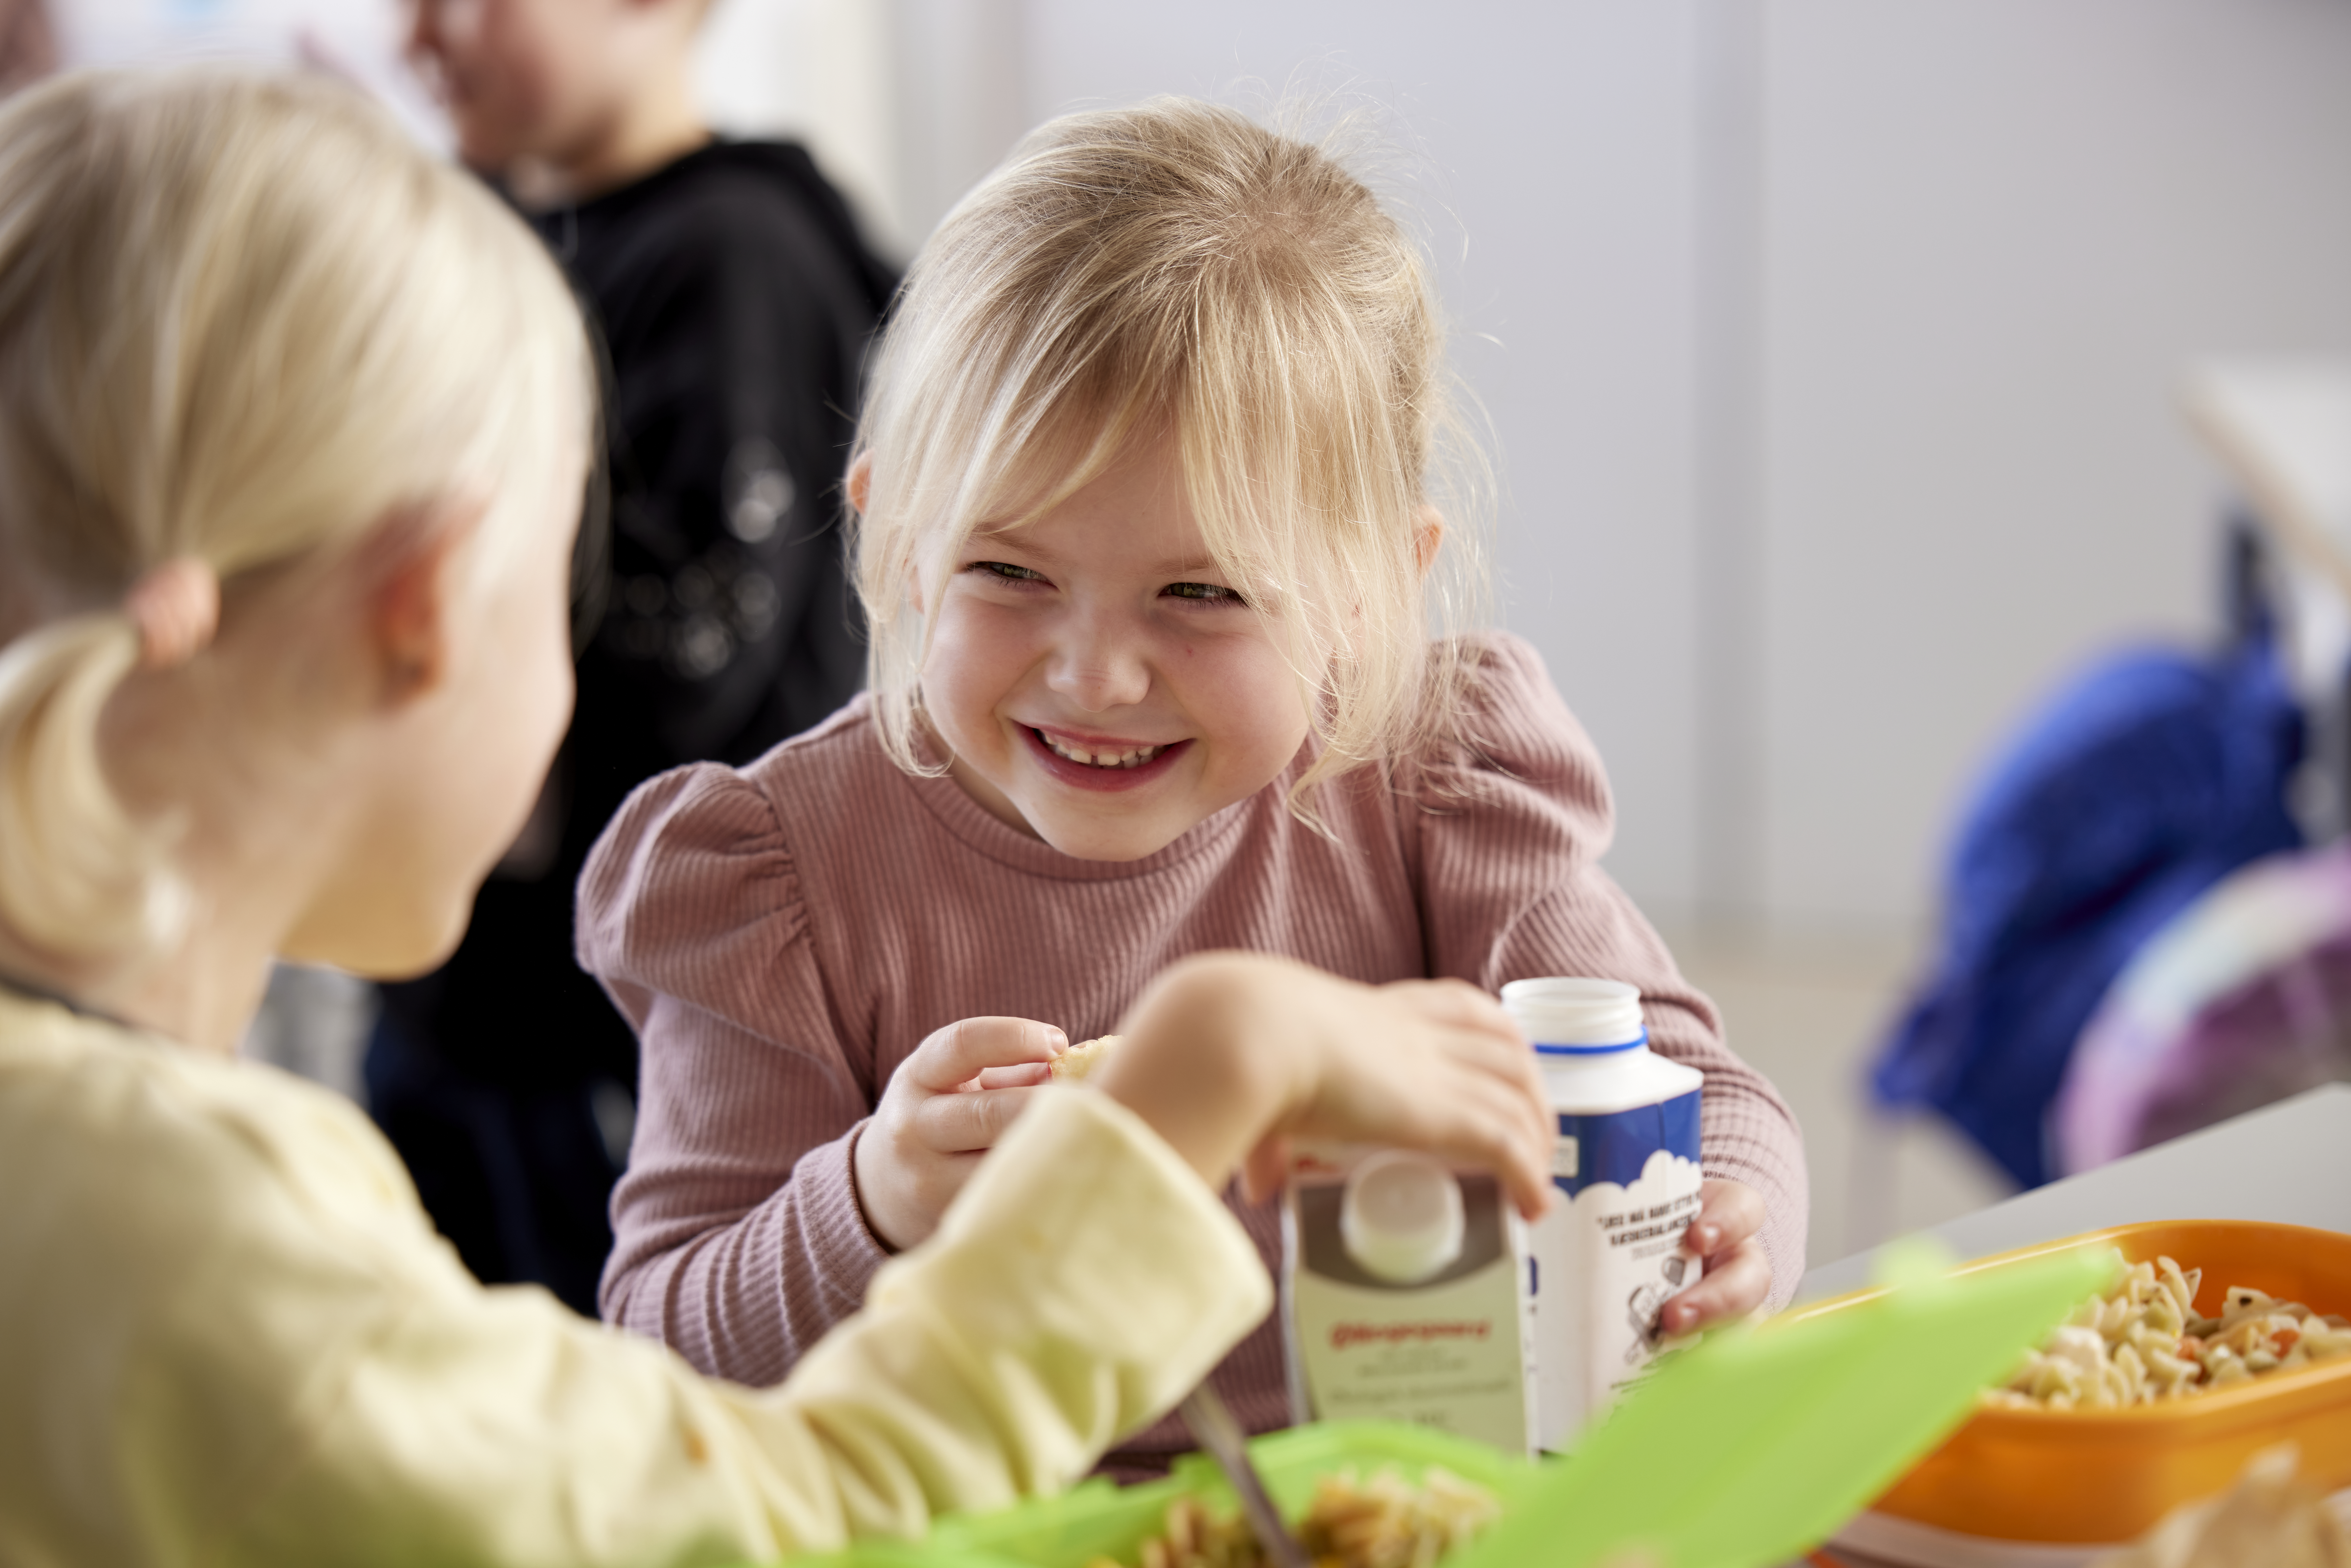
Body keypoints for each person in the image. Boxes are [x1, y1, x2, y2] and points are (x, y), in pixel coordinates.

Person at [0, 69, 1558, 1563]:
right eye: (567, 572)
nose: (1098, 669)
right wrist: (1210, 1068)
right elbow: (761, 1517)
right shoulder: (178, 1237)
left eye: (1201, 593)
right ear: (430, 604)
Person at [583, 98, 1811, 1469]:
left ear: (1369, 593)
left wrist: (1719, 1223)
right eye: (1009, 572)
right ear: (899, 539)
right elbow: (656, 1352)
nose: (1096, 673)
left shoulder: (1429, 781)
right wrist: (867, 1200)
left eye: (1201, 592)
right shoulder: (780, 878)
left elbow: (1699, 1092)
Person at [379, 0, 896, 1312]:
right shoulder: (481, 236)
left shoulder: (734, 252)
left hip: (624, 1015)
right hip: (467, 992)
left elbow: (694, 641)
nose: (419, 36)